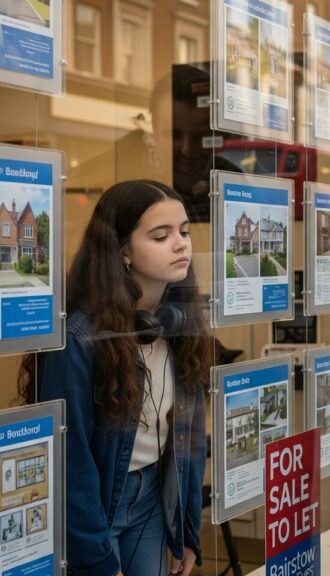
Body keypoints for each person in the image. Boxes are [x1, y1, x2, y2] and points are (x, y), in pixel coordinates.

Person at [18, 180, 212, 576]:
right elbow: (70, 462)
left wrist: (187, 530)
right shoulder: (80, 339)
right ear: (123, 252)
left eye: (185, 231)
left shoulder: (178, 325)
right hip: (100, 507)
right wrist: (97, 559)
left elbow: (189, 439)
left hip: (155, 500)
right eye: (161, 236)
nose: (181, 245)